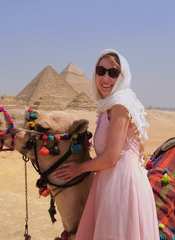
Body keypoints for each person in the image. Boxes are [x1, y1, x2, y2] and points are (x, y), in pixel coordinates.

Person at [54, 49, 159, 240]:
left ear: (122, 76)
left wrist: (80, 168)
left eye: (113, 73)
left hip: (122, 185)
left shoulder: (120, 105)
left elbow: (111, 157)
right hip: (111, 180)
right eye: (100, 70)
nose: (105, 77)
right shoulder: (109, 106)